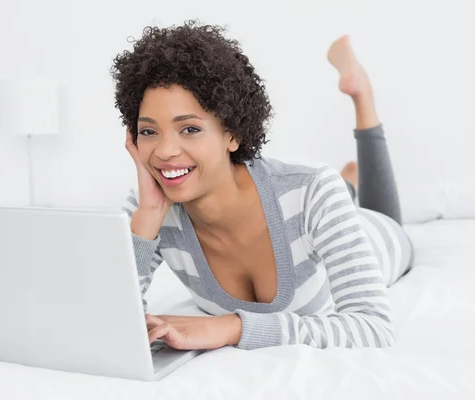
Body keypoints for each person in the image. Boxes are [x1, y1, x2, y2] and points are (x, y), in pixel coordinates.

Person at [110, 21, 414, 351]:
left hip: (373, 234)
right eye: (149, 132)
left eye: (190, 130)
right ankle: (350, 184)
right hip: (308, 208)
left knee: (387, 218)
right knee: (343, 192)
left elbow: (374, 329)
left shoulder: (312, 189)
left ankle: (361, 96)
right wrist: (148, 218)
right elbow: (107, 319)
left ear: (232, 133)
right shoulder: (148, 208)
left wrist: (233, 328)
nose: (166, 151)